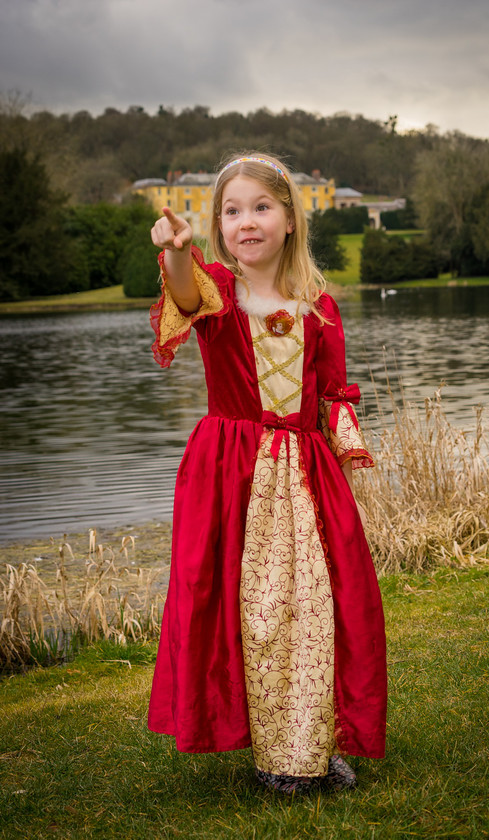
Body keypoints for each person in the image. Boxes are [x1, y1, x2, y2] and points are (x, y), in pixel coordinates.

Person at [147, 153, 387, 794]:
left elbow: (332, 394)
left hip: (306, 479)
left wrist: (343, 458)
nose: (245, 221)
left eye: (260, 207)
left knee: (316, 606)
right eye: (231, 211)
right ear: (219, 228)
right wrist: (176, 251)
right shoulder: (218, 296)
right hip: (233, 475)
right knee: (251, 609)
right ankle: (275, 757)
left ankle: (314, 742)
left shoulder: (319, 307)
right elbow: (182, 291)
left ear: (288, 219)